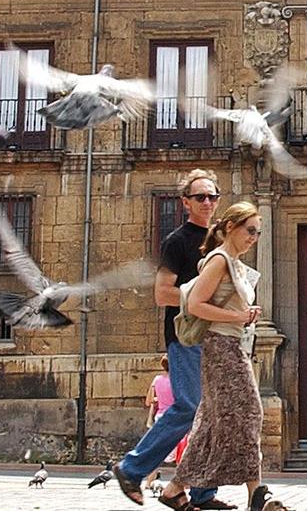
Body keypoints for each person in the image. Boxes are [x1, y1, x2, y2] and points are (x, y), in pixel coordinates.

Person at [113, 169, 231, 510]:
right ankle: (132, 468)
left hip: (215, 337)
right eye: (200, 197)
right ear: (185, 202)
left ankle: (203, 493)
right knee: (189, 406)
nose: (207, 202)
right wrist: (199, 295)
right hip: (185, 335)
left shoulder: (219, 241)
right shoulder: (177, 241)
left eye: (212, 196)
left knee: (214, 414)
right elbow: (162, 293)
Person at [161, 202, 264, 511]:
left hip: (232, 346)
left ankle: (174, 487)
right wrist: (240, 317)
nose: (254, 237)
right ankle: (257, 494)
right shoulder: (219, 260)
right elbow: (194, 304)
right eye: (250, 230)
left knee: (213, 422)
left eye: (258, 232)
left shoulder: (234, 263)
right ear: (230, 227)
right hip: (221, 348)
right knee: (250, 413)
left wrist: (244, 316)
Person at [142, 356, 174, 491]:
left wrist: (158, 398)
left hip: (160, 418)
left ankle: (149, 482)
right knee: (180, 453)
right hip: (174, 418)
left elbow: (148, 401)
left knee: (157, 452)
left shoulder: (157, 380)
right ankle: (182, 483)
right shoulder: (178, 381)